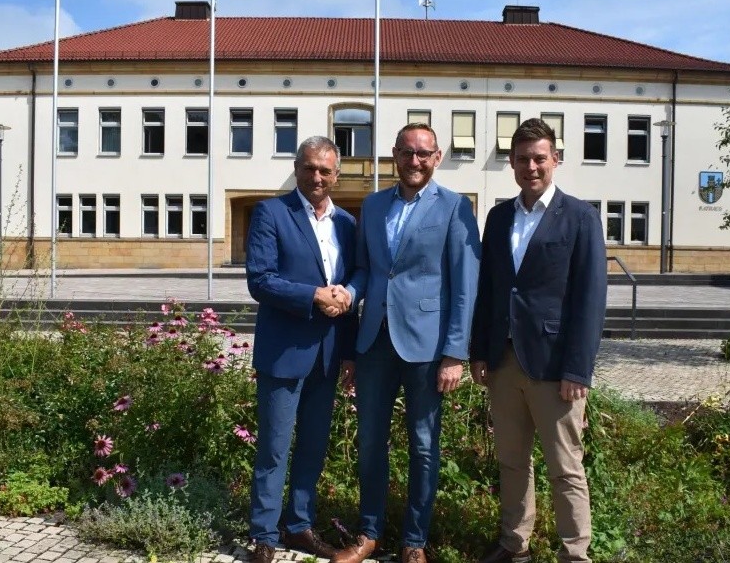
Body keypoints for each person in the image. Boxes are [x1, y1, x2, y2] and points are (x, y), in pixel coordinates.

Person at [332, 123, 481, 563]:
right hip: (374, 341)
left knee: (423, 444)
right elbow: (365, 269)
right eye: (406, 153)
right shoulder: (373, 205)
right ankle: (369, 534)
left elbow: (464, 285)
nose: (414, 162)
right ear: (394, 155)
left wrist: (455, 352)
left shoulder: (455, 207)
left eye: (423, 154)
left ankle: (414, 541)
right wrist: (352, 330)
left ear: (436, 158)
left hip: (428, 347)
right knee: (370, 441)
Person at [470, 118, 607, 563]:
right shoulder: (499, 216)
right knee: (512, 462)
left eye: (540, 158)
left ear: (556, 161)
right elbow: (489, 289)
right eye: (523, 158)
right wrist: (479, 352)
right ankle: (515, 544)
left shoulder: (581, 217)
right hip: (504, 362)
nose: (532, 166)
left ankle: (575, 554)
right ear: (511, 163)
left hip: (553, 368)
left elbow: (590, 300)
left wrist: (576, 369)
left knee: (565, 467)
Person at [245, 136, 358, 563]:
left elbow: (351, 288)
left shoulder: (347, 223)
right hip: (284, 351)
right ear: (297, 167)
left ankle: (299, 527)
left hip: (328, 355)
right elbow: (260, 279)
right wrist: (312, 295)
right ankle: (264, 534)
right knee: (274, 446)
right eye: (309, 168)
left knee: (312, 445)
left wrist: (348, 353)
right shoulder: (272, 213)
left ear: (336, 175)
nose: (317, 177)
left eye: (325, 170)